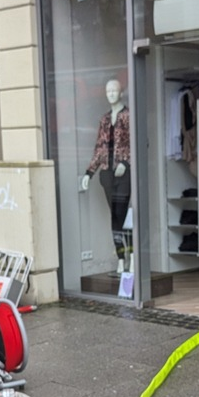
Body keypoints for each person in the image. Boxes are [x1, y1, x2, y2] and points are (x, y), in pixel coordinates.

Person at [80, 78, 133, 273]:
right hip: (107, 174)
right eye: (108, 91)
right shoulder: (104, 120)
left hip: (124, 175)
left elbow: (137, 143)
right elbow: (99, 149)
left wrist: (126, 163)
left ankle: (133, 256)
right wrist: (89, 173)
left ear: (121, 93)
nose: (111, 94)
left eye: (114, 90)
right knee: (115, 218)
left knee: (123, 215)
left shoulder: (128, 117)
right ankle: (121, 257)